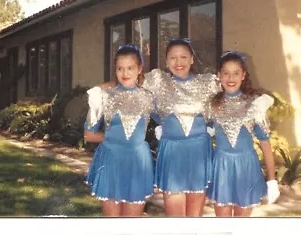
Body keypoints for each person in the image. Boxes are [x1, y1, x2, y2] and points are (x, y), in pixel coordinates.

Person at [142, 38, 220, 217]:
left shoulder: (207, 83)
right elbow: (128, 81)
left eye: (183, 57)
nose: (179, 62)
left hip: (198, 152)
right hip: (172, 152)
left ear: (192, 59)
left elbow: (229, 99)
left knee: (194, 217)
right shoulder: (158, 82)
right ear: (166, 61)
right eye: (173, 58)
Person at [206, 51, 280, 217]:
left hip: (246, 167)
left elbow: (265, 143)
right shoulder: (212, 104)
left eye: (236, 73)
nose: (231, 78)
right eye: (226, 73)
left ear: (243, 75)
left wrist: (272, 180)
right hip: (222, 166)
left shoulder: (254, 104)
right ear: (219, 75)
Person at [83, 44, 155, 217]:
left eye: (130, 68)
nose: (125, 73)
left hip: (137, 162)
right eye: (120, 68)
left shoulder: (150, 96)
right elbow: (89, 135)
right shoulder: (103, 96)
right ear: (114, 70)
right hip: (110, 161)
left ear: (139, 69)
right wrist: (111, 137)